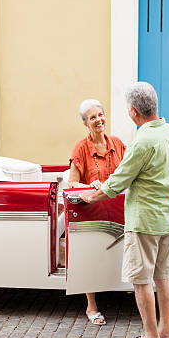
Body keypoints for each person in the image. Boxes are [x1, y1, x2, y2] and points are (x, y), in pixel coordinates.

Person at [80, 82, 169, 338]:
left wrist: (90, 195)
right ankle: (166, 332)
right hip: (167, 218)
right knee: (164, 277)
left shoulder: (142, 141)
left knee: (141, 280)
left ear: (134, 111)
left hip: (144, 221)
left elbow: (117, 183)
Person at [68, 99, 126, 325]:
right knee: (91, 256)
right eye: (92, 118)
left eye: (100, 115)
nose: (98, 120)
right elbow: (72, 184)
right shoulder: (81, 148)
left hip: (118, 208)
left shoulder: (119, 144)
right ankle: (91, 306)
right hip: (92, 210)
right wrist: (90, 186)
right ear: (86, 123)